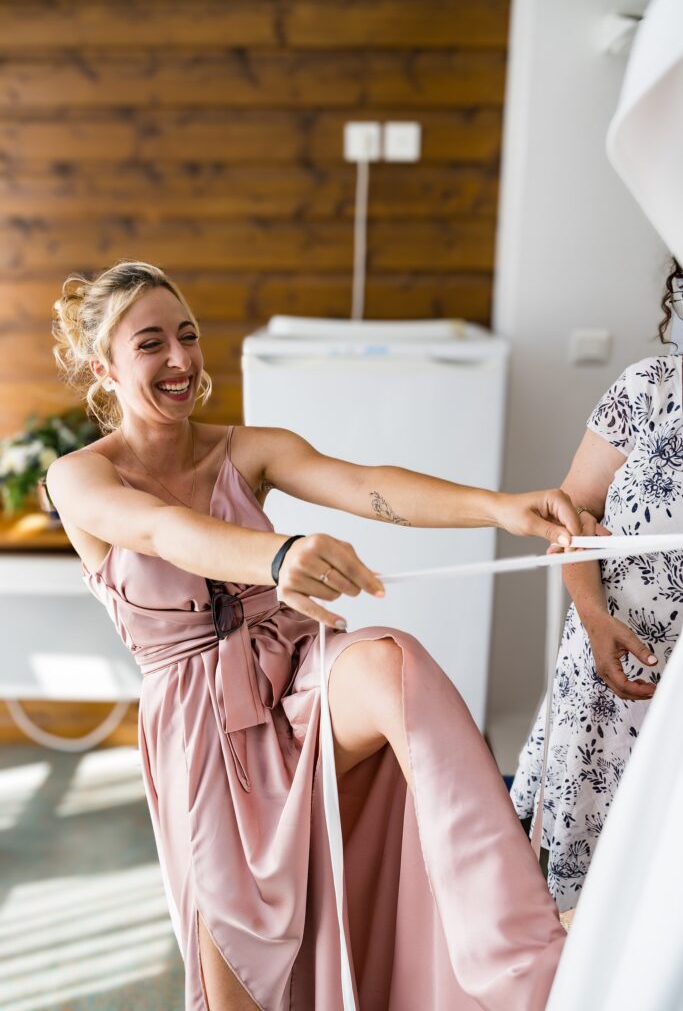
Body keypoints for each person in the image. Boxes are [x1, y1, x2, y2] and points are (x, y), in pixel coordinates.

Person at [47, 260, 578, 1011]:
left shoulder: (246, 448)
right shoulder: (78, 478)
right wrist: (278, 553)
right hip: (202, 735)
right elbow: (164, 531)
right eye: (150, 343)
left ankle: (526, 958)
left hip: (296, 673)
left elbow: (366, 482)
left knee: (394, 666)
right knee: (241, 981)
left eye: (188, 336)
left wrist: (499, 508)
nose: (179, 359)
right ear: (104, 366)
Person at [512, 257, 683, 913]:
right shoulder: (649, 389)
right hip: (612, 670)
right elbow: (572, 514)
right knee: (588, 896)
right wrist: (590, 615)